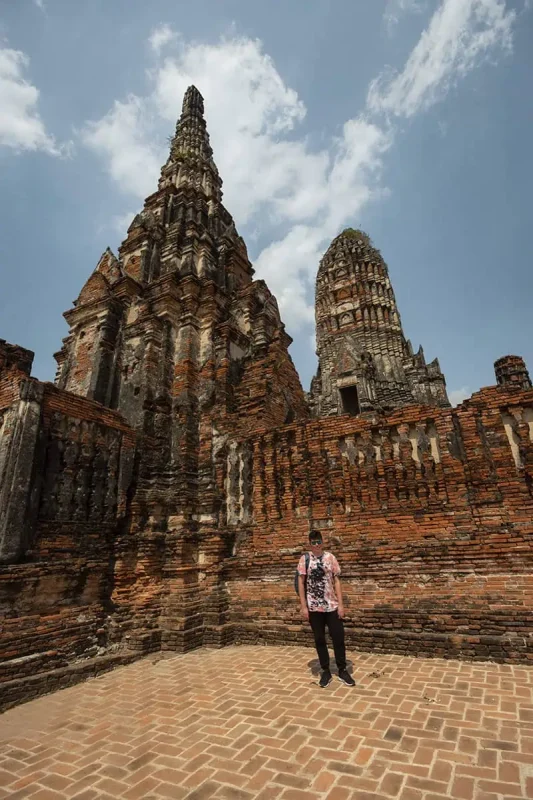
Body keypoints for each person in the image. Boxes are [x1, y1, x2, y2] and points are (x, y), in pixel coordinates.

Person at [297, 530, 356, 688]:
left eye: (318, 542)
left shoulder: (330, 558)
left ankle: (342, 670)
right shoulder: (305, 559)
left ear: (322, 542)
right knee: (320, 639)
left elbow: (337, 581)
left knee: (338, 637)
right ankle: (325, 671)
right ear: (309, 544)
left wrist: (341, 605)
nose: (316, 545)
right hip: (314, 607)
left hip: (331, 606)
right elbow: (301, 583)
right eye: (313, 542)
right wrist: (303, 606)